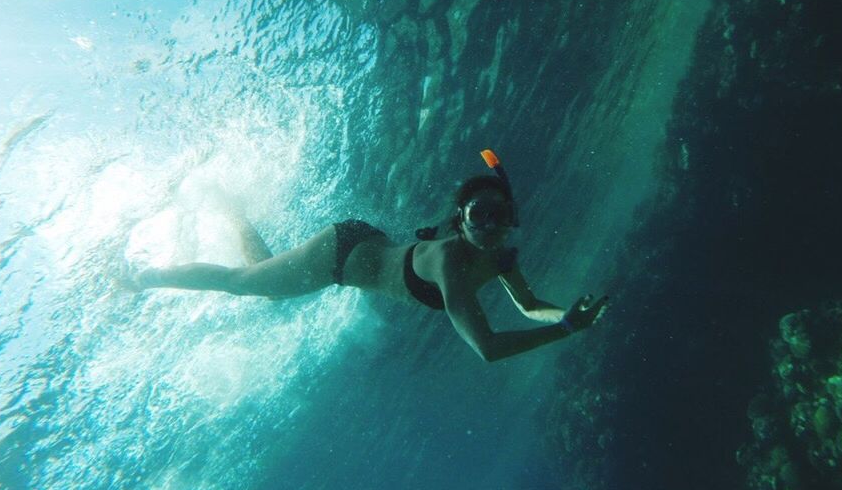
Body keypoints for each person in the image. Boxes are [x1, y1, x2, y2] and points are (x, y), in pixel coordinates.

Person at [122, 151, 609, 362]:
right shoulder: (448, 263)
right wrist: (567, 330)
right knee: (241, 283)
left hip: (366, 244)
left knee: (267, 291)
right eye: (479, 216)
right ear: (459, 221)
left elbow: (527, 304)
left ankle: (232, 211)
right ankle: (141, 275)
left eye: (499, 216)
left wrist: (564, 312)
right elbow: (488, 349)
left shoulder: (502, 257)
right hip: (341, 254)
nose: (491, 227)